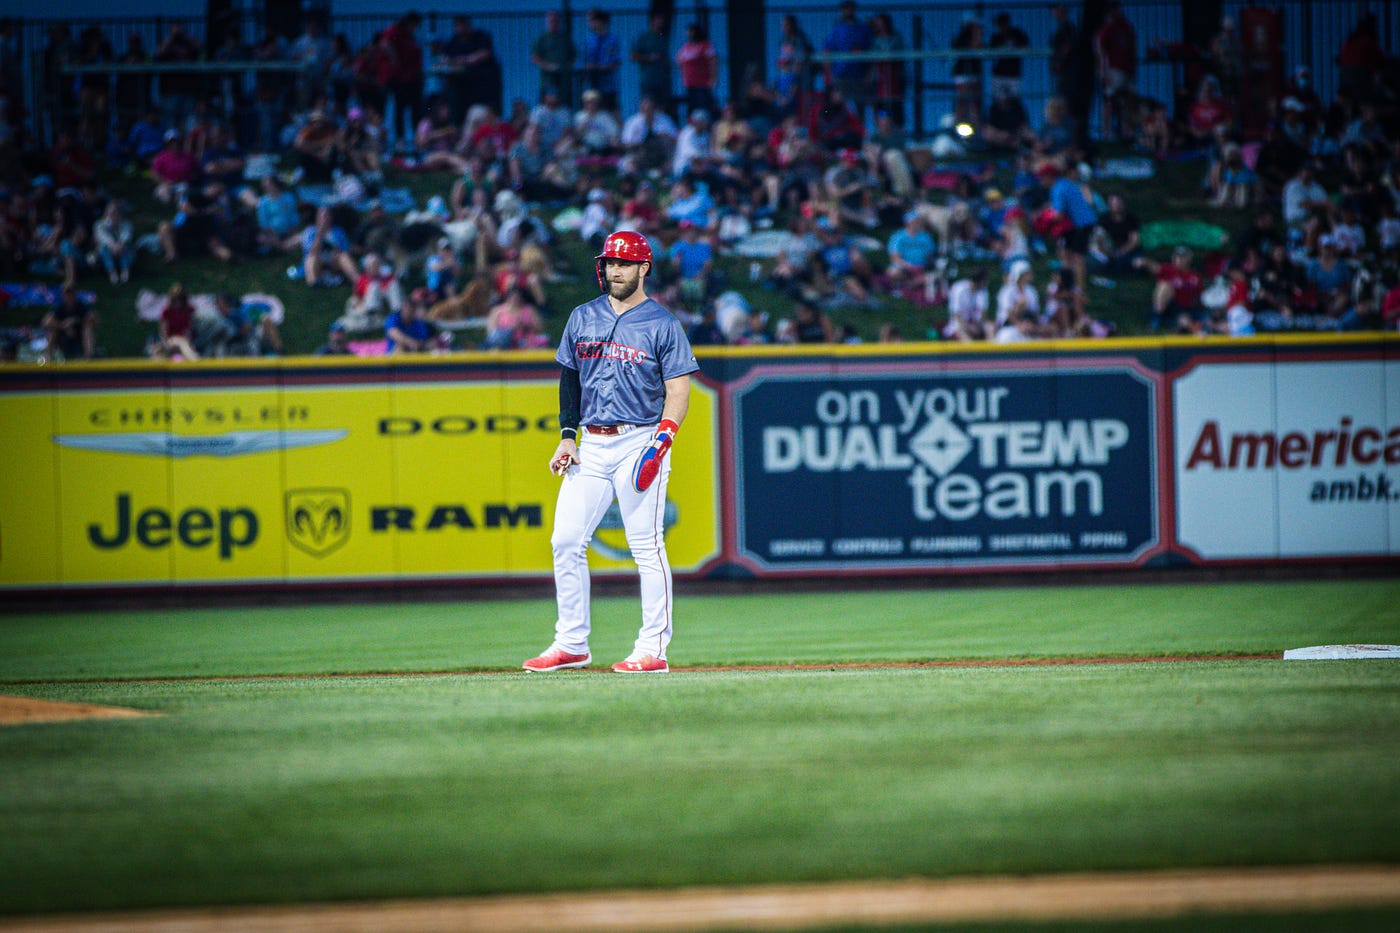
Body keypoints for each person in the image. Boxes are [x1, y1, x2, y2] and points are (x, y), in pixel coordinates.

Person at [525, 230, 699, 675]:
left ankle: (652, 649)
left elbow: (679, 389)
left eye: (623, 263)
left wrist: (662, 441)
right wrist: (567, 435)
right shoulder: (583, 316)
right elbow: (570, 379)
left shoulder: (662, 323)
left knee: (646, 545)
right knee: (565, 541)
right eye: (609, 263)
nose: (614, 269)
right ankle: (571, 644)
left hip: (640, 438)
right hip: (591, 444)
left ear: (644, 268)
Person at [42, 283, 97, 362]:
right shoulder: (59, 306)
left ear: (75, 294)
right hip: (62, 335)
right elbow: (46, 322)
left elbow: (93, 318)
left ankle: (89, 357)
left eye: (71, 293)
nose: (69, 296)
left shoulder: (81, 306)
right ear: (63, 295)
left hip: (78, 335)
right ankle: (48, 357)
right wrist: (64, 326)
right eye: (67, 294)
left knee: (88, 329)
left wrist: (75, 320)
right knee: (52, 331)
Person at [675, 23, 718, 120]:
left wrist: (713, 79)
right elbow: (679, 60)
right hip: (690, 84)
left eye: (690, 31)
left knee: (704, 107)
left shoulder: (705, 46)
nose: (688, 34)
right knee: (692, 108)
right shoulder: (686, 47)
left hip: (703, 83)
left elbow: (713, 62)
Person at [632, 12, 672, 115]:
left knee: (661, 106)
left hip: (662, 80)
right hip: (648, 80)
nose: (660, 23)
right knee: (647, 102)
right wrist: (648, 58)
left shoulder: (662, 38)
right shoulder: (644, 37)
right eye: (658, 20)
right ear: (652, 21)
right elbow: (633, 55)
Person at [582, 9, 621, 112]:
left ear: (600, 21)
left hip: (608, 85)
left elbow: (616, 62)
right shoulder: (589, 39)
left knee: (611, 111)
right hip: (592, 83)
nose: (589, 24)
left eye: (591, 20)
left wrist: (603, 67)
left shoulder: (612, 39)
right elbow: (585, 60)